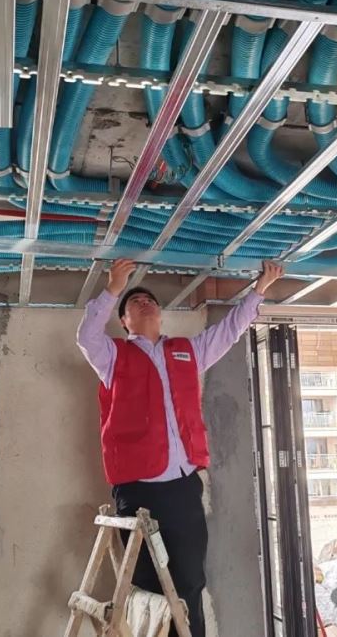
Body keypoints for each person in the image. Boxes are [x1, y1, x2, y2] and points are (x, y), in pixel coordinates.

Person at [76, 258, 284, 637]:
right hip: (139, 490)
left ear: (160, 313)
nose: (145, 303)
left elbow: (229, 330)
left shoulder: (188, 350)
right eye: (135, 302)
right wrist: (114, 287)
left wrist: (258, 291)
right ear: (124, 320)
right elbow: (87, 335)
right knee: (149, 585)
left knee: (189, 583)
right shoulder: (113, 356)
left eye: (150, 301)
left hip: (184, 486)